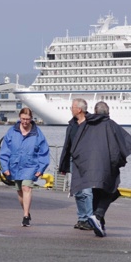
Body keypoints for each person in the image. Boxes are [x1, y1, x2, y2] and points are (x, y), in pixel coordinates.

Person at [70, 101, 131, 237]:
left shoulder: (86, 126)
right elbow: (122, 146)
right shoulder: (111, 126)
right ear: (108, 112)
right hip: (106, 167)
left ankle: (99, 224)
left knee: (96, 193)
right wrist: (117, 163)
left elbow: (75, 144)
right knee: (111, 191)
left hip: (88, 167)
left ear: (95, 111)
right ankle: (98, 216)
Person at [0, 108, 50, 227]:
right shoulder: (12, 131)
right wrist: (5, 167)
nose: (25, 122)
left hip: (30, 165)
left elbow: (44, 151)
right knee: (19, 191)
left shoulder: (37, 133)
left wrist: (40, 169)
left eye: (27, 119)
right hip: (15, 165)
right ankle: (26, 211)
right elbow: (5, 150)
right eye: (23, 119)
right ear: (19, 118)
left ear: (31, 119)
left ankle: (25, 216)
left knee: (26, 187)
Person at [58, 98, 93, 231]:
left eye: (72, 107)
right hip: (74, 161)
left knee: (87, 191)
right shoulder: (72, 124)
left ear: (79, 109)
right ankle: (82, 218)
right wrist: (63, 166)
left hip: (88, 161)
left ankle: (90, 219)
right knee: (77, 191)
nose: (70, 109)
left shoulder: (91, 124)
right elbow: (67, 145)